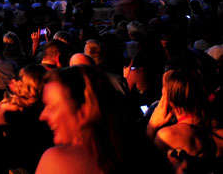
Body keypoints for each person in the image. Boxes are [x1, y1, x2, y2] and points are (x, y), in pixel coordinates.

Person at [37, 65, 168, 174]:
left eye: (52, 107)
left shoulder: (57, 161)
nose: (42, 116)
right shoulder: (140, 153)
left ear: (86, 108)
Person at [147, 68, 216, 173]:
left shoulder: (167, 136)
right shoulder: (213, 125)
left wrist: (151, 127)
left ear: (168, 98)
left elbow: (144, 163)